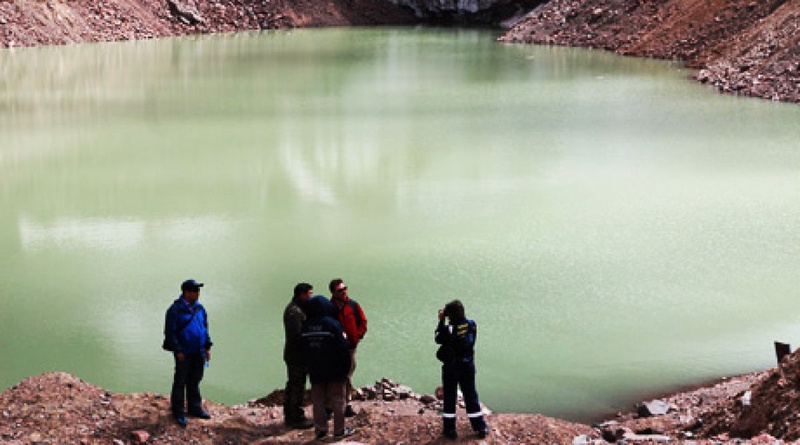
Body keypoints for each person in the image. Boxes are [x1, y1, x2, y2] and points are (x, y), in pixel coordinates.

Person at [301, 295, 355, 440]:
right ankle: (339, 431)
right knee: (338, 400)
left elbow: (303, 350)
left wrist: (308, 367)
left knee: (318, 401)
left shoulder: (305, 327)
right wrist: (346, 368)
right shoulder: (333, 325)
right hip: (335, 370)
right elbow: (343, 348)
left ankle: (321, 431)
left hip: (315, 371)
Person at [435, 299, 489, 440]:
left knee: (450, 398)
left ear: (450, 315)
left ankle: (450, 429)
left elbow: (438, 338)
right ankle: (480, 427)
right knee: (471, 396)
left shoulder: (449, 329)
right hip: (467, 366)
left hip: (451, 368)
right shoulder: (471, 325)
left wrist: (441, 321)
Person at [164, 279, 213, 427]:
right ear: (186, 292)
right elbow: (170, 333)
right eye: (195, 291)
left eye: (198, 290)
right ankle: (178, 412)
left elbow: (204, 328)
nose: (198, 293)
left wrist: (207, 346)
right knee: (180, 381)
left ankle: (195, 408)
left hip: (198, 351)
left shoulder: (200, 309)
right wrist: (178, 350)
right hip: (183, 353)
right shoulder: (174, 310)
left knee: (195, 380)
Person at [328, 278, 367, 417]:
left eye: (345, 288)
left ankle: (347, 404)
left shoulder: (353, 305)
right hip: (333, 349)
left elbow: (363, 322)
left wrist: (357, 336)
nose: (344, 291)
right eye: (340, 290)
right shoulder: (328, 307)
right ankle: (330, 406)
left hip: (350, 348)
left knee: (347, 375)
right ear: (333, 292)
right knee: (333, 376)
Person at [282, 282, 315, 429]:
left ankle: (291, 415)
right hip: (297, 356)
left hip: (296, 354)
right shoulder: (294, 312)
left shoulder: (296, 309)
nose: (310, 297)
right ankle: (295, 418)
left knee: (294, 385)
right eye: (309, 294)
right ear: (301, 294)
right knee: (297, 386)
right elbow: (297, 336)